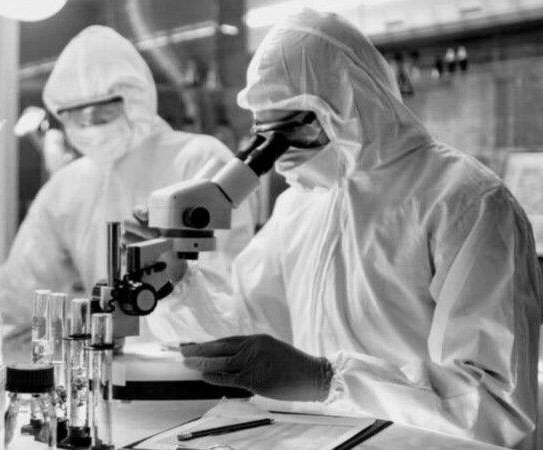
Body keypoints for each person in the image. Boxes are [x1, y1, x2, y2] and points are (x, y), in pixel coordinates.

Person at [175, 9, 543, 449]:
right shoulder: (298, 205)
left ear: (353, 102)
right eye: (266, 133)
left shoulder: (463, 201)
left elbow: (494, 407)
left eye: (297, 127)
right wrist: (178, 284)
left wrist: (326, 379)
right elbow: (245, 331)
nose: (282, 153)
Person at [0, 25, 256, 342]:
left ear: (137, 98)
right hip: (109, 361)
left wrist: (177, 282)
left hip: (193, 361)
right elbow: (19, 290)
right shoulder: (66, 187)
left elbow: (229, 297)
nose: (92, 126)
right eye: (78, 118)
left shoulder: (201, 161)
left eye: (104, 113)